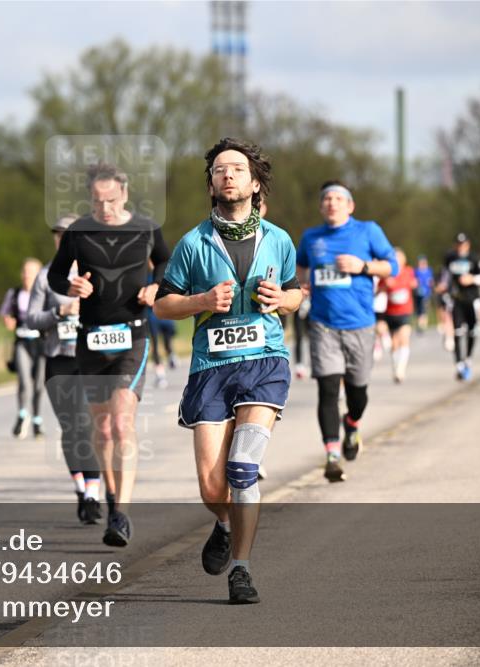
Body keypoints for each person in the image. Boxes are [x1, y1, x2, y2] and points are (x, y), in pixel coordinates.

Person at [155, 139, 301, 604]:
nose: (228, 175)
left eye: (237, 169)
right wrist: (201, 302)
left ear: (255, 183)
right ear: (212, 184)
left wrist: (284, 300)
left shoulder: (278, 239)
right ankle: (222, 522)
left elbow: (297, 293)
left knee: (243, 468)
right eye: (220, 170)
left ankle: (242, 569)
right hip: (210, 367)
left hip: (264, 362)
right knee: (212, 485)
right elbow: (162, 304)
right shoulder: (192, 243)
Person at [48, 161, 170, 547]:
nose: (105, 209)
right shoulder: (79, 232)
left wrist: (155, 288)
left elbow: (165, 262)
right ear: (90, 199)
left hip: (132, 337)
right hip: (90, 339)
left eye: (112, 200)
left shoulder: (147, 228)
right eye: (98, 202)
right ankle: (113, 498)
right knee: (101, 429)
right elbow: (55, 275)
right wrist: (72, 287)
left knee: (121, 423)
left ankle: (122, 513)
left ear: (125, 193)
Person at [296, 180, 398, 483]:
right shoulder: (311, 237)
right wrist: (303, 286)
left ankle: (351, 424)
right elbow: (302, 267)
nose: (332, 203)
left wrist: (362, 266)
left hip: (360, 326)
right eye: (326, 198)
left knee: (358, 393)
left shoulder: (368, 231)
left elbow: (391, 266)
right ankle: (331, 455)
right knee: (327, 388)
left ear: (349, 205)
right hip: (323, 325)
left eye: (338, 198)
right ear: (320, 205)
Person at [26, 215, 103, 524]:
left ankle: (94, 494)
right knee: (72, 428)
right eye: (59, 236)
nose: (63, 240)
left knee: (86, 425)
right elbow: (31, 319)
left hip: (90, 358)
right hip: (58, 359)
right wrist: (59, 311)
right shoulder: (45, 276)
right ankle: (81, 489)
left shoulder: (96, 272)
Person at [0, 258, 46, 439]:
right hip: (22, 341)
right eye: (24, 272)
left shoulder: (44, 294)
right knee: (25, 382)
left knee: (39, 385)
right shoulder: (15, 293)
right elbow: (4, 312)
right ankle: (22, 415)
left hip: (41, 343)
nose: (27, 276)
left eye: (31, 272)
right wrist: (7, 320)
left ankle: (37, 419)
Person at [437, 233, 480, 382]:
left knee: (472, 331)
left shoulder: (475, 258)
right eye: (458, 244)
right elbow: (445, 276)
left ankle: (468, 359)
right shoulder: (449, 258)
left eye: (463, 244)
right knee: (458, 331)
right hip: (456, 299)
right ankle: (459, 364)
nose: (460, 247)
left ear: (468, 244)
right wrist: (442, 285)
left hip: (472, 299)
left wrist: (472, 279)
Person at [378, 248, 418, 383]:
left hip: (405, 311)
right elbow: (378, 290)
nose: (397, 260)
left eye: (399, 258)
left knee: (404, 337)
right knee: (394, 342)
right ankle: (396, 367)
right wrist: (386, 286)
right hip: (390, 312)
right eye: (394, 258)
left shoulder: (408, 271)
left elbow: (414, 283)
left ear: (404, 260)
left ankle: (401, 368)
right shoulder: (387, 274)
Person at [413, 254, 435, 333]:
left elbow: (431, 281)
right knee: (418, 309)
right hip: (418, 294)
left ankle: (422, 325)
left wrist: (431, 284)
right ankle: (420, 323)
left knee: (424, 309)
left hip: (426, 294)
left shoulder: (429, 271)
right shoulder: (415, 271)